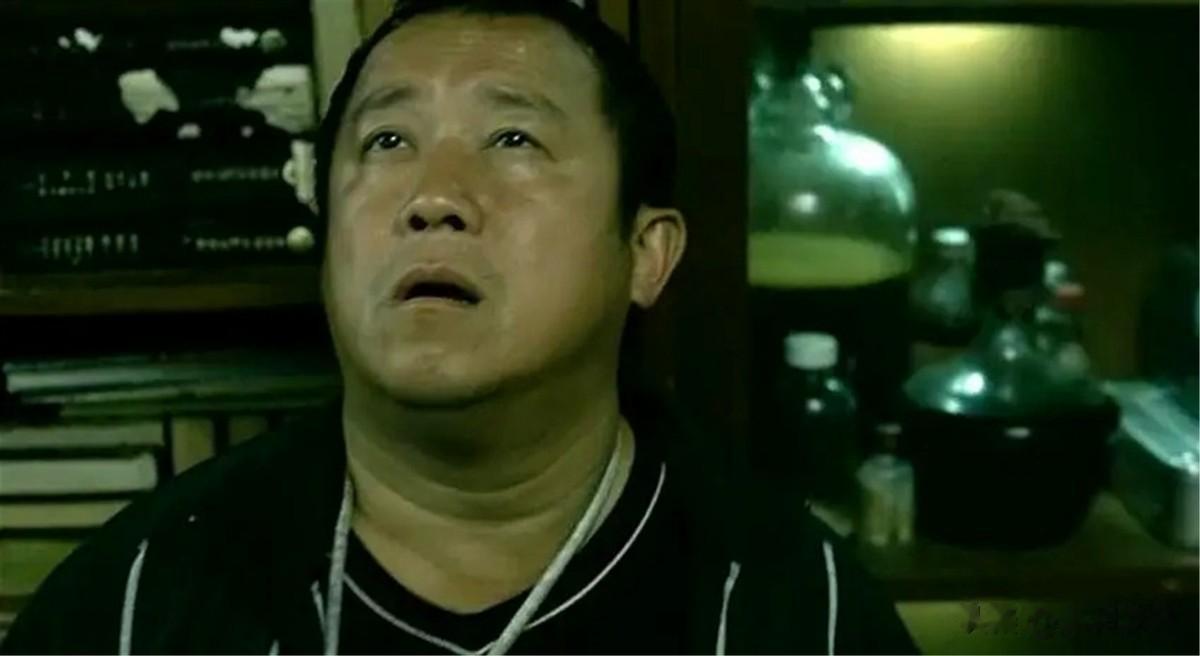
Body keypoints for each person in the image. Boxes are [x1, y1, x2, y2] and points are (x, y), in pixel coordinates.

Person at [1, 1, 917, 653]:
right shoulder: (135, 601)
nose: (433, 196)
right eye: (386, 142)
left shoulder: (794, 610)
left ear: (646, 253)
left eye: (513, 140)